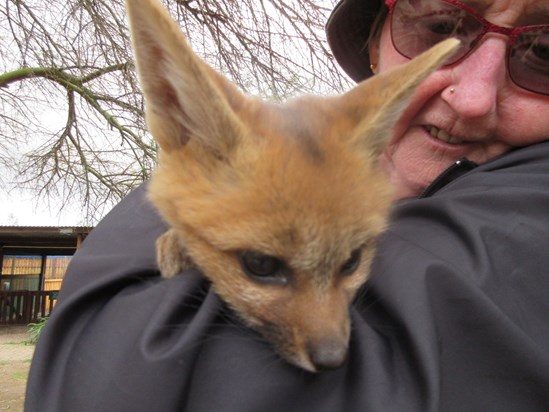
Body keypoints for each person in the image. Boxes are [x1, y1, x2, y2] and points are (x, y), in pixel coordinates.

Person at [26, 0, 549, 410]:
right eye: (440, 25)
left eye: (544, 50)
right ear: (375, 46)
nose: (475, 98)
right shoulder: (342, 166)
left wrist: (177, 209)